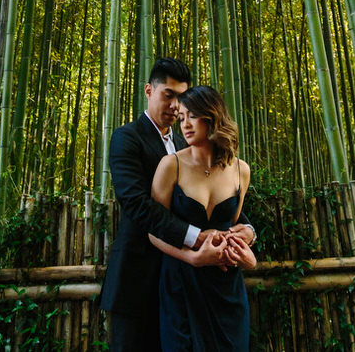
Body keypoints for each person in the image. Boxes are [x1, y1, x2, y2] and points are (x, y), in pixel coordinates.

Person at [102, 59, 254, 352]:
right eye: (168, 95)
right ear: (149, 90)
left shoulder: (192, 147)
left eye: (181, 99)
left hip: (194, 283)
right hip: (141, 277)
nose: (175, 106)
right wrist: (197, 238)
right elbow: (137, 204)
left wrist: (246, 230)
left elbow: (210, 200)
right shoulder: (128, 138)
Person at [147, 85, 255, 352]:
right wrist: (192, 258)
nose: (185, 124)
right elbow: (153, 231)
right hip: (181, 284)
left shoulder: (241, 170)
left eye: (192, 116)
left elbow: (233, 226)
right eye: (182, 117)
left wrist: (248, 244)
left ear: (212, 116)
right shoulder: (170, 165)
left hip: (226, 286)